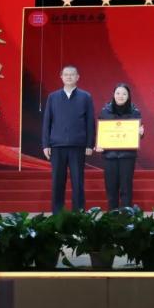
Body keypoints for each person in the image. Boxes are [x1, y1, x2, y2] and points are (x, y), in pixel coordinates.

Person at [42, 65, 95, 214]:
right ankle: (57, 214)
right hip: (57, 145)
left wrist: (89, 144)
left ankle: (78, 213)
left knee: (78, 181)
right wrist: (45, 144)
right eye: (66, 74)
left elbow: (90, 122)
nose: (69, 77)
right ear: (61, 77)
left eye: (72, 74)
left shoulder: (85, 97)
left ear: (78, 77)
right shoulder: (53, 97)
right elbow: (47, 121)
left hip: (78, 145)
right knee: (57, 182)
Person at [95, 83, 144, 209]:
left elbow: (138, 134)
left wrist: (141, 133)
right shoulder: (105, 112)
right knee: (111, 188)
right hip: (109, 156)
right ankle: (113, 215)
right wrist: (98, 144)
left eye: (124, 94)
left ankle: (126, 216)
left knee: (126, 188)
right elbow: (100, 132)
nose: (120, 96)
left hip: (127, 156)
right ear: (113, 95)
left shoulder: (135, 112)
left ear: (128, 96)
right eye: (118, 93)